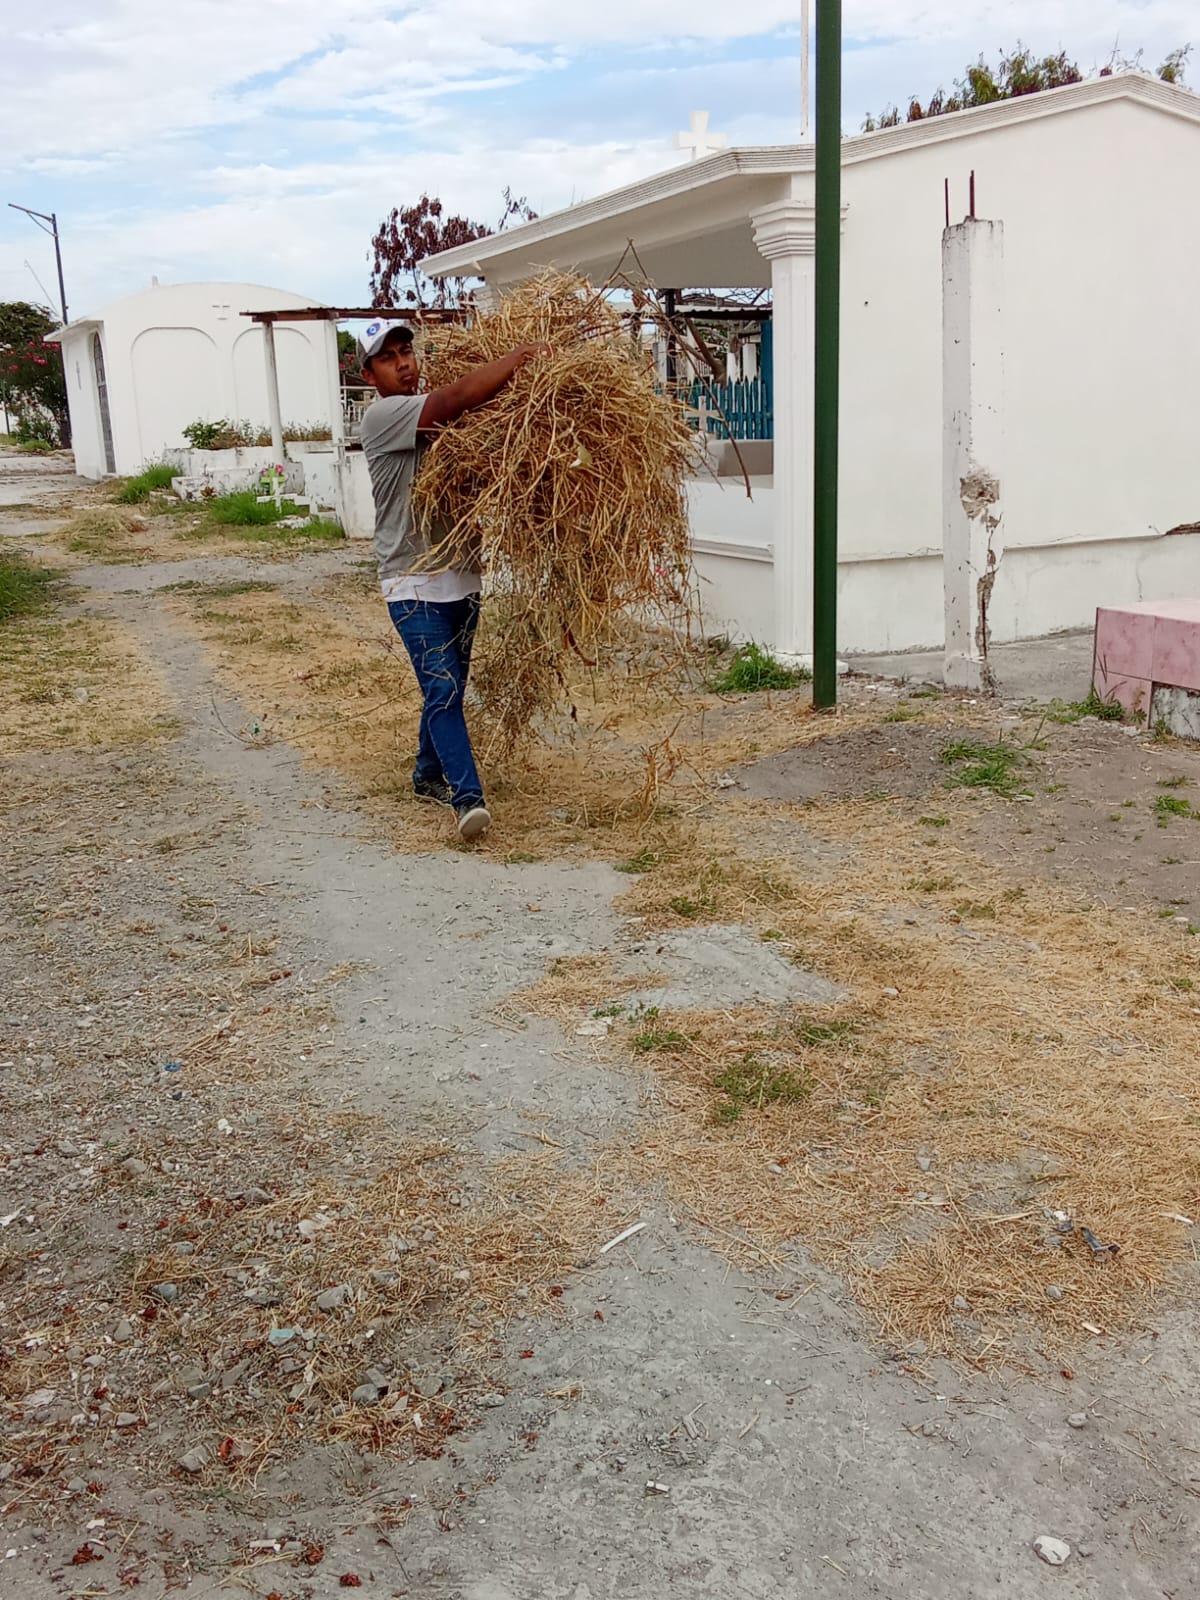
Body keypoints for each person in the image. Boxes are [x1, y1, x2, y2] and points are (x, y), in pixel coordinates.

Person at [357, 319, 545, 842]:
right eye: (388, 358)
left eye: (406, 351)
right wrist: (519, 357)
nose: (403, 363)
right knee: (441, 687)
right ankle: (468, 799)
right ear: (369, 375)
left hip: (461, 574)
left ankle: (426, 773)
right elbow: (456, 398)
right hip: (410, 579)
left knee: (449, 686)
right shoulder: (383, 416)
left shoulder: (444, 422)